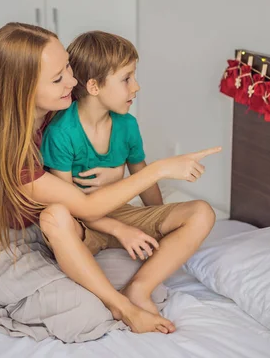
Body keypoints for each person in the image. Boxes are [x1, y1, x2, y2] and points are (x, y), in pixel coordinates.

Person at [0, 22, 221, 338]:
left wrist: (116, 177)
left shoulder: (57, 113)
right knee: (86, 313)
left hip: (55, 238)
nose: (73, 81)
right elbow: (85, 207)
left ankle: (126, 298)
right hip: (5, 251)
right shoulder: (1, 145)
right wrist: (158, 169)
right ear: (22, 88)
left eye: (67, 66)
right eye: (58, 78)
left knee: (155, 287)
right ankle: (120, 306)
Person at [40, 30, 218, 317]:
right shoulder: (62, 132)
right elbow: (68, 205)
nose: (136, 87)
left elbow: (142, 176)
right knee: (60, 221)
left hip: (119, 213)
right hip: (85, 224)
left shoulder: (127, 125)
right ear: (95, 87)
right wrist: (121, 231)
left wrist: (160, 221)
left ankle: (139, 288)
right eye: (126, 79)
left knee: (203, 212)